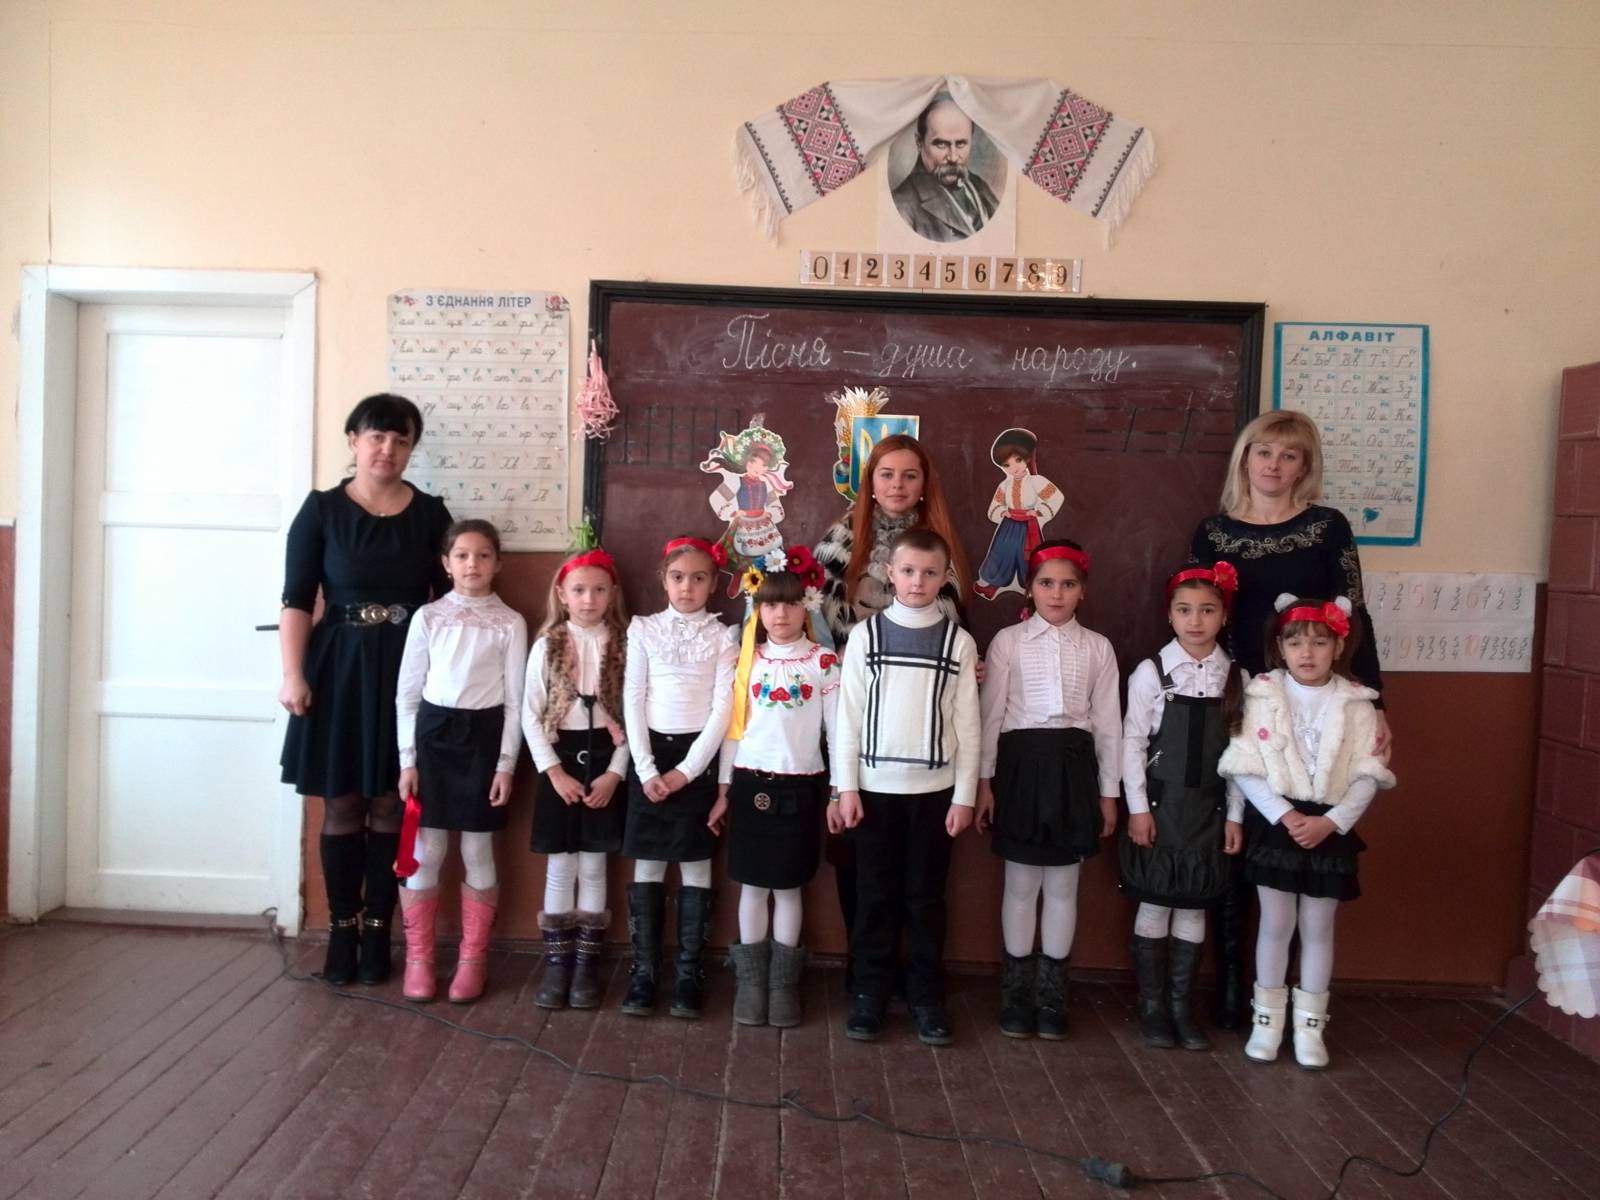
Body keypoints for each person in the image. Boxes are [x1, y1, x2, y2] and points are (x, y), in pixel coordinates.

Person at [1189, 409, 1391, 1029]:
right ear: (1245, 458)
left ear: (1305, 466)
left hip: (1315, 703)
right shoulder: (1214, 532)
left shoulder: (1327, 527)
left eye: (1289, 455)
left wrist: (1375, 702)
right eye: (1264, 452)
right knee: (1237, 838)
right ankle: (1235, 990)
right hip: (1237, 698)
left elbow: (1355, 614)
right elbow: (1199, 610)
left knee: (1304, 854)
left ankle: (1298, 1006)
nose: (1274, 465)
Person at [279, 393, 453, 987]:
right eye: (377, 436)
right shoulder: (321, 510)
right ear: (353, 440)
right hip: (339, 670)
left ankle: (380, 930)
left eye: (401, 440)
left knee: (390, 802)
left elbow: (448, 606)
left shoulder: (431, 515)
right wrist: (293, 673)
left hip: (407, 672)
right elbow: (297, 598)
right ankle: (342, 931)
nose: (387, 449)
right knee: (343, 802)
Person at [813, 434, 970, 986]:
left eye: (909, 475)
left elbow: (952, 636)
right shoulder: (839, 541)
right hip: (850, 712)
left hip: (917, 730)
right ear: (870, 482)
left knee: (919, 876)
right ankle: (865, 973)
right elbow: (818, 625)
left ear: (924, 484)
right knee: (855, 854)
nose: (898, 485)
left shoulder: (937, 548)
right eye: (887, 474)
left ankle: (913, 978)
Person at [1218, 594, 1395, 1069]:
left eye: (1320, 642)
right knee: (1275, 924)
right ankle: (1267, 1021)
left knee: (1318, 927)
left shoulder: (1357, 703)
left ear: (1338, 647)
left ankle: (1310, 1026)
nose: (1307, 653)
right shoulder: (1263, 694)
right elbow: (1244, 764)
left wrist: (1331, 822)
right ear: (1280, 647)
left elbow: (1368, 772)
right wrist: (1285, 815)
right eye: (1296, 643)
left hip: (1329, 826)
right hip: (1279, 824)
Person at [834, 528, 980, 1046]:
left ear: (945, 578)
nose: (918, 581)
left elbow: (968, 726)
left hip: (935, 795)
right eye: (908, 571)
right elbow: (847, 718)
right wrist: (846, 788)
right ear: (890, 574)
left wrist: (964, 795)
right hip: (873, 793)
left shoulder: (958, 643)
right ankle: (869, 993)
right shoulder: (865, 637)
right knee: (874, 896)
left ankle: (924, 996)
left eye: (929, 573)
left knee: (924, 899)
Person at [975, 540, 1121, 1040]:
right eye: (1046, 583)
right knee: (1020, 885)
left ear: (1083, 591)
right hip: (1020, 769)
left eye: (1068, 584)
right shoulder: (1008, 642)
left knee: (1062, 886)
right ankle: (1016, 995)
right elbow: (990, 716)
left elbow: (1109, 726)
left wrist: (1108, 793)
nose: (1056, 593)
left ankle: (1052, 996)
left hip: (1074, 773)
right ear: (1031, 588)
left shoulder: (1098, 648)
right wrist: (985, 782)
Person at [393, 519, 527, 1004]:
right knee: (426, 850)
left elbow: (516, 702)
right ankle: (420, 959)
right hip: (432, 739)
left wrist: (506, 764)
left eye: (484, 555)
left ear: (498, 563)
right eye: (463, 555)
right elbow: (408, 695)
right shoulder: (428, 617)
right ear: (446, 564)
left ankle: (473, 961)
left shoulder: (510, 622)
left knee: (476, 849)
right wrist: (408, 761)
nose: (473, 564)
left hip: (484, 741)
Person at [1119, 563, 1245, 1051]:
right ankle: (1152, 1009)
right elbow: (1132, 742)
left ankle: (1181, 1008)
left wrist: (1234, 815)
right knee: (1155, 902)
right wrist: (1137, 808)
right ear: (1169, 615)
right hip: (1159, 807)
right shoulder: (1152, 672)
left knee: (1193, 908)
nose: (1196, 620)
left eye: (1207, 610)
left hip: (1208, 812)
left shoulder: (1236, 677)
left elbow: (1242, 757)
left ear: (1223, 616)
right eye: (1185, 610)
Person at [710, 553, 839, 1028]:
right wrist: (723, 789)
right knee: (752, 885)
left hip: (801, 787)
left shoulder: (823, 662)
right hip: (750, 784)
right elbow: (733, 731)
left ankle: (783, 983)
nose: (779, 614)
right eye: (769, 604)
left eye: (789, 604)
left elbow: (837, 732)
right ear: (757, 608)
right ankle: (751, 981)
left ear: (808, 606)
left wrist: (838, 791)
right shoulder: (745, 660)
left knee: (787, 888)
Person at [620, 535, 738, 1019]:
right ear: (663, 580)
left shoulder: (724, 637)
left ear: (714, 584)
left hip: (697, 760)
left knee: (695, 863)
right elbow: (632, 698)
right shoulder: (644, 629)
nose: (687, 587)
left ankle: (689, 974)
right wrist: (647, 768)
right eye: (677, 577)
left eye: (698, 578)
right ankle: (644, 972)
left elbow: (723, 710)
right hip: (649, 756)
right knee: (648, 864)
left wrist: (687, 772)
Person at [521, 546, 630, 1010]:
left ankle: (587, 966)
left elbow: (634, 715)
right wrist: (553, 772)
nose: (589, 599)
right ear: (562, 594)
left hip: (606, 760)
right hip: (559, 762)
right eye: (579, 590)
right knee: (561, 864)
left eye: (599, 590)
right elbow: (530, 714)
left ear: (612, 594)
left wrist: (615, 773)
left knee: (594, 864)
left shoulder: (625, 644)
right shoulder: (547, 644)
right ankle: (557, 964)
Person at [891, 95, 1000, 243]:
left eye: (961, 144)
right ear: (919, 142)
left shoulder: (980, 187)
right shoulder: (902, 205)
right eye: (941, 144)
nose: (953, 157)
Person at [975, 428, 1064, 600]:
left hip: (1028, 526)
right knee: (1002, 553)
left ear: (1027, 458)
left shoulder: (1036, 482)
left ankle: (1030, 587)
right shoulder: (1004, 486)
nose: (1013, 468)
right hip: (1008, 527)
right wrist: (1002, 512)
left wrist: (1039, 512)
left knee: (1027, 558)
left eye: (1018, 460)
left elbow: (1056, 498)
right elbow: (994, 507)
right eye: (1006, 465)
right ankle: (995, 583)